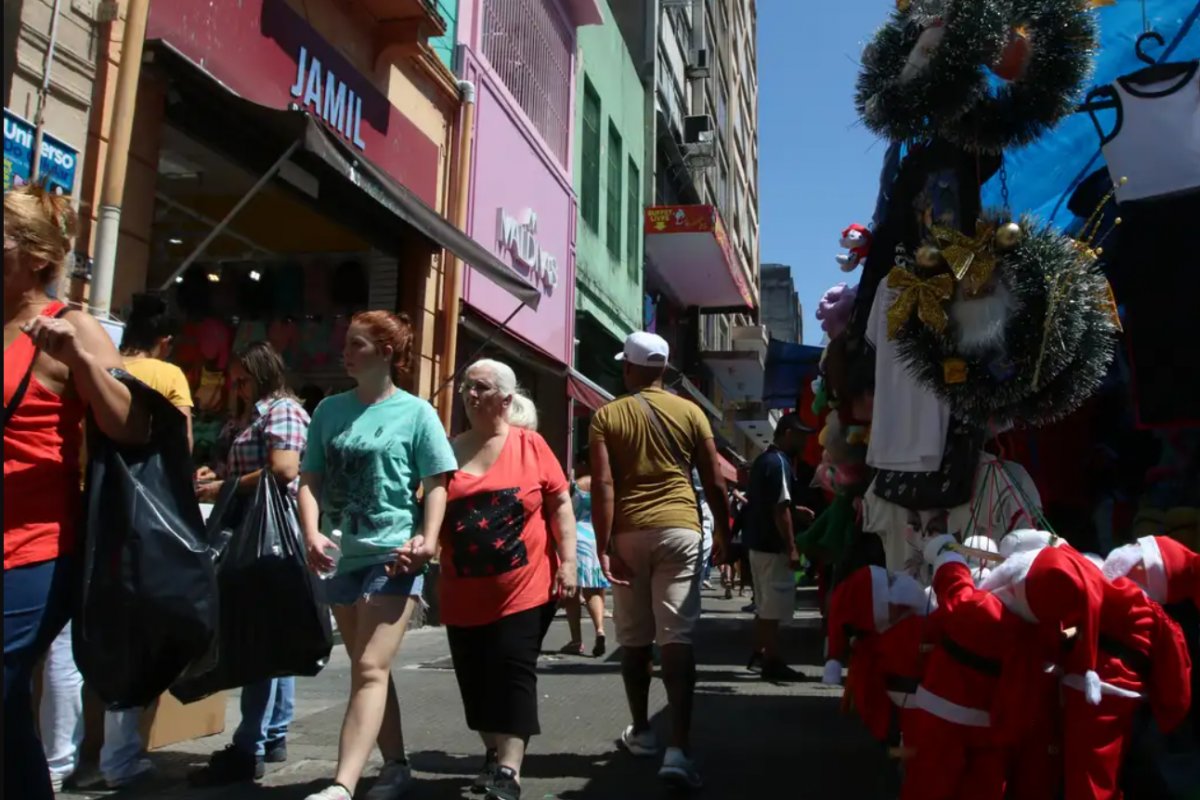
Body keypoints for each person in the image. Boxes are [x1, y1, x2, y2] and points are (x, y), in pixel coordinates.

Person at [4, 183, 145, 800]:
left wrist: (82, 363)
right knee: (9, 713)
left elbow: (133, 423)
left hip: (35, 551)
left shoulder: (72, 324)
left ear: (36, 255)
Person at [298, 311, 457, 800]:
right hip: (339, 556)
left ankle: (342, 785)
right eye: (346, 342)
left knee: (368, 668)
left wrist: (428, 539)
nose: (345, 352)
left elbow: (437, 482)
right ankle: (396, 765)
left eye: (357, 344)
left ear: (386, 353)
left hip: (393, 555)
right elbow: (310, 478)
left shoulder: (416, 413)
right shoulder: (329, 411)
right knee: (370, 670)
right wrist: (310, 532)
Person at [39, 290, 195, 791]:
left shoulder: (95, 361)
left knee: (67, 641)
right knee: (130, 633)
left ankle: (57, 757)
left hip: (80, 504)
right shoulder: (166, 375)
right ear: (165, 340)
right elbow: (181, 449)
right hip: (134, 521)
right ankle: (116, 756)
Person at [589, 331, 731, 790]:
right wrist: (725, 533)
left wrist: (604, 544)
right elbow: (714, 480)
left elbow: (604, 485)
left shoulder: (607, 415)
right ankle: (679, 749)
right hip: (681, 529)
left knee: (634, 639)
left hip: (629, 532)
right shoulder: (692, 412)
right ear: (665, 369)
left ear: (629, 368)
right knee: (677, 638)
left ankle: (642, 731)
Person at [439, 359, 578, 800]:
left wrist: (570, 562)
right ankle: (492, 751)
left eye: (480, 387)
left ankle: (508, 771)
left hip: (524, 588)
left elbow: (560, 504)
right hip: (461, 592)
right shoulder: (447, 451)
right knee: (474, 681)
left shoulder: (530, 445)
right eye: (466, 386)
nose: (469, 394)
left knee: (513, 672)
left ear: (505, 398)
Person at [189, 341, 310, 786]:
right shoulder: (251, 415)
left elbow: (284, 470)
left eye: (242, 378)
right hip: (252, 530)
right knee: (271, 636)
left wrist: (224, 486)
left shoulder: (282, 411)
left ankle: (249, 746)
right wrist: (217, 476)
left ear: (261, 373)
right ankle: (271, 734)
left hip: (270, 534)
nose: (236, 385)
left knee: (259, 637)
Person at [742, 413, 814, 680]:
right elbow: (779, 508)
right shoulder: (779, 462)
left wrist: (794, 511)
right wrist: (792, 547)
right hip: (772, 548)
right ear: (787, 434)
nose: (805, 442)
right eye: (801, 436)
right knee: (773, 607)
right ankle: (771, 659)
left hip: (758, 544)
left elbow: (772, 504)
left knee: (764, 605)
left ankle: (760, 652)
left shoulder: (764, 460)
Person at [560, 455, 610, 657]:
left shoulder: (576, 486)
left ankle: (576, 640)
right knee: (594, 589)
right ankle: (600, 629)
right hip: (596, 538)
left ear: (583, 464)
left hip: (576, 537)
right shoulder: (604, 485)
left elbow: (563, 510)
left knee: (573, 592)